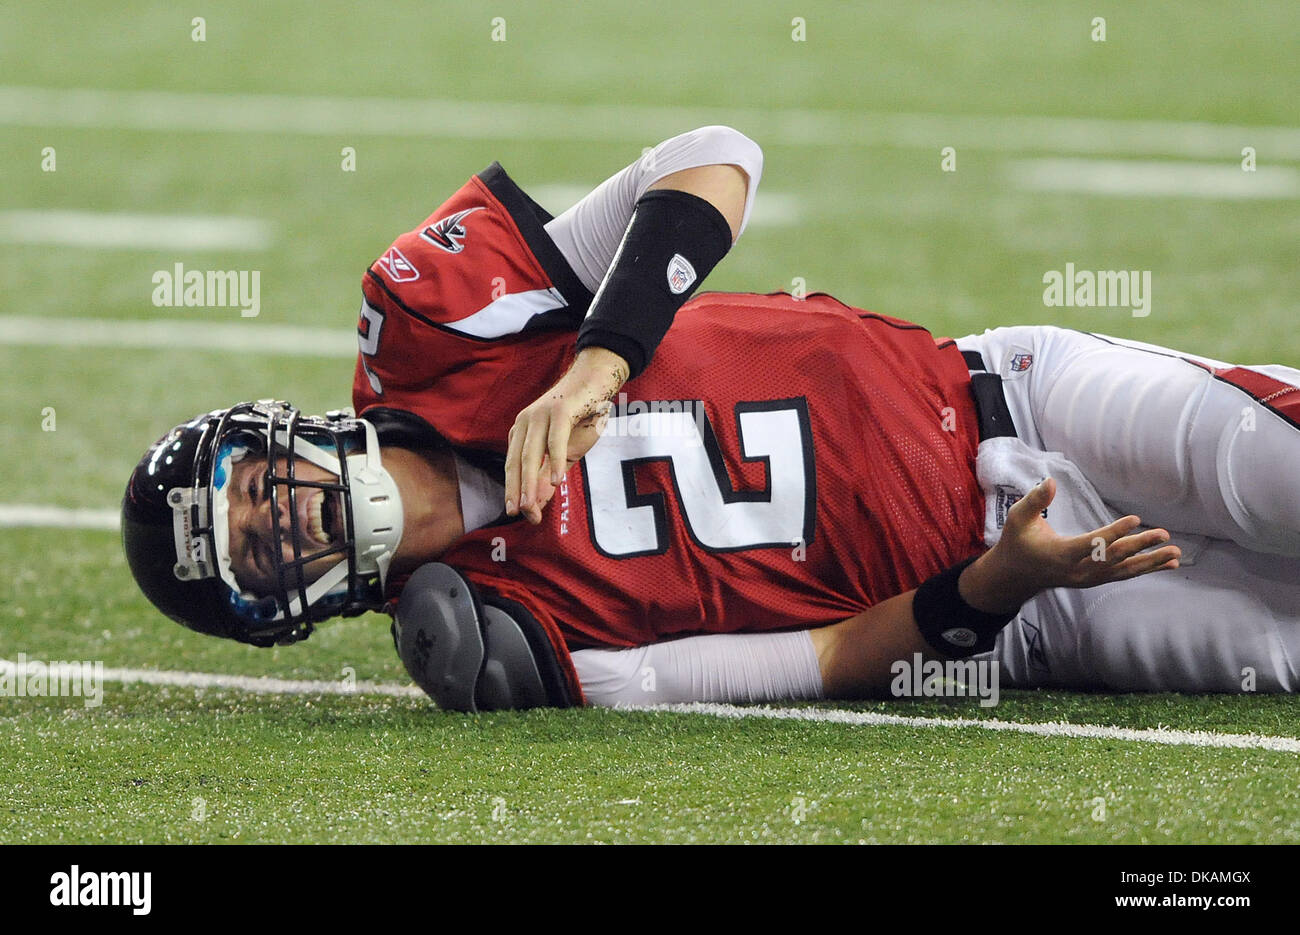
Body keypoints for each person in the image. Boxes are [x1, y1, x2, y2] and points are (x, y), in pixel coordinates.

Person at [122, 128, 1300, 708]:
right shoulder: (512, 636)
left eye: (249, 489)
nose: (278, 520)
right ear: (280, 611)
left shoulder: (436, 328)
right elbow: (824, 657)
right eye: (253, 551)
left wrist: (593, 364)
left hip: (1019, 398)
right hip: (1027, 615)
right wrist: (993, 586)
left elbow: (712, 158)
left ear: (271, 433)